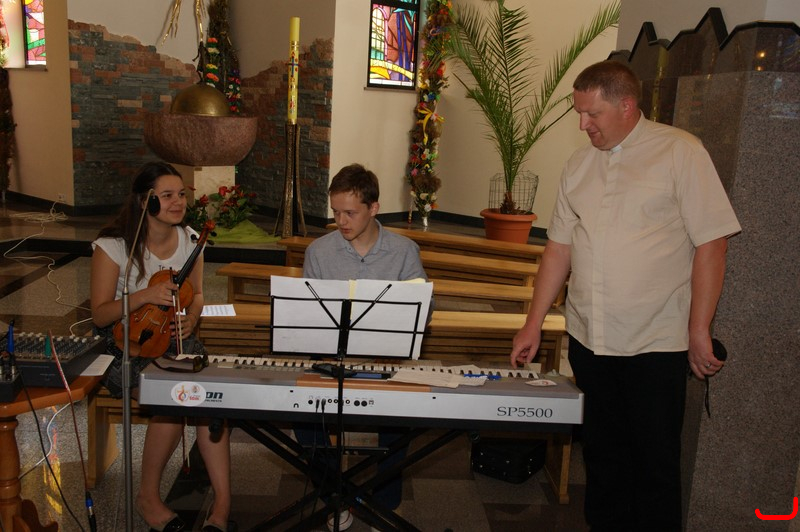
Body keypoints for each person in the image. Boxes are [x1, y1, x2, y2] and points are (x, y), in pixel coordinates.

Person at [509, 61, 741, 532]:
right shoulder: (578, 165)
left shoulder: (681, 152)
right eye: (579, 113)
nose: (583, 125)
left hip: (655, 342)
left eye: (592, 114)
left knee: (654, 463)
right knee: (603, 457)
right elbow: (559, 249)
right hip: (591, 339)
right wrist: (533, 322)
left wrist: (699, 329)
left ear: (627, 106)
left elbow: (712, 243)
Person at [90, 162, 231, 532]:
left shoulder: (191, 240)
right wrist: (143, 296)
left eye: (181, 194)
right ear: (145, 201)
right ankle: (148, 497)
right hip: (123, 345)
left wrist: (192, 318)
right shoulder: (114, 246)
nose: (178, 202)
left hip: (174, 338)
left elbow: (197, 295)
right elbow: (100, 314)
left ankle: (222, 504)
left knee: (211, 399)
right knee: (174, 398)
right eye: (167, 195)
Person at [298, 163, 429, 531]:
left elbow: (423, 306)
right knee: (304, 419)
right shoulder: (319, 252)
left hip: (385, 364)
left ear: (374, 208)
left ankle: (384, 505)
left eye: (350, 213)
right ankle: (334, 496)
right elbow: (308, 314)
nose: (341, 221)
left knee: (401, 419)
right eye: (335, 212)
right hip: (332, 362)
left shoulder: (404, 251)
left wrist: (394, 341)